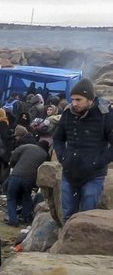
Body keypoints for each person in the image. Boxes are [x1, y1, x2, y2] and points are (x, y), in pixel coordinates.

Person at [51, 78, 113, 221]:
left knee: (87, 217)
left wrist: (98, 161)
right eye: (72, 99)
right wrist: (63, 157)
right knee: (68, 215)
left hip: (94, 175)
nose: (74, 103)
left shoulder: (106, 114)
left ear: (90, 99)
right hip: (69, 171)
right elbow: (58, 138)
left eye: (79, 100)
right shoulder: (68, 113)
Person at [6, 137, 49, 226]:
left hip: (16, 175)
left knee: (11, 198)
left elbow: (14, 155)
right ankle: (27, 218)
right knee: (27, 197)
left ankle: (13, 220)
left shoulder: (26, 146)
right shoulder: (45, 155)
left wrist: (13, 164)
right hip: (29, 179)